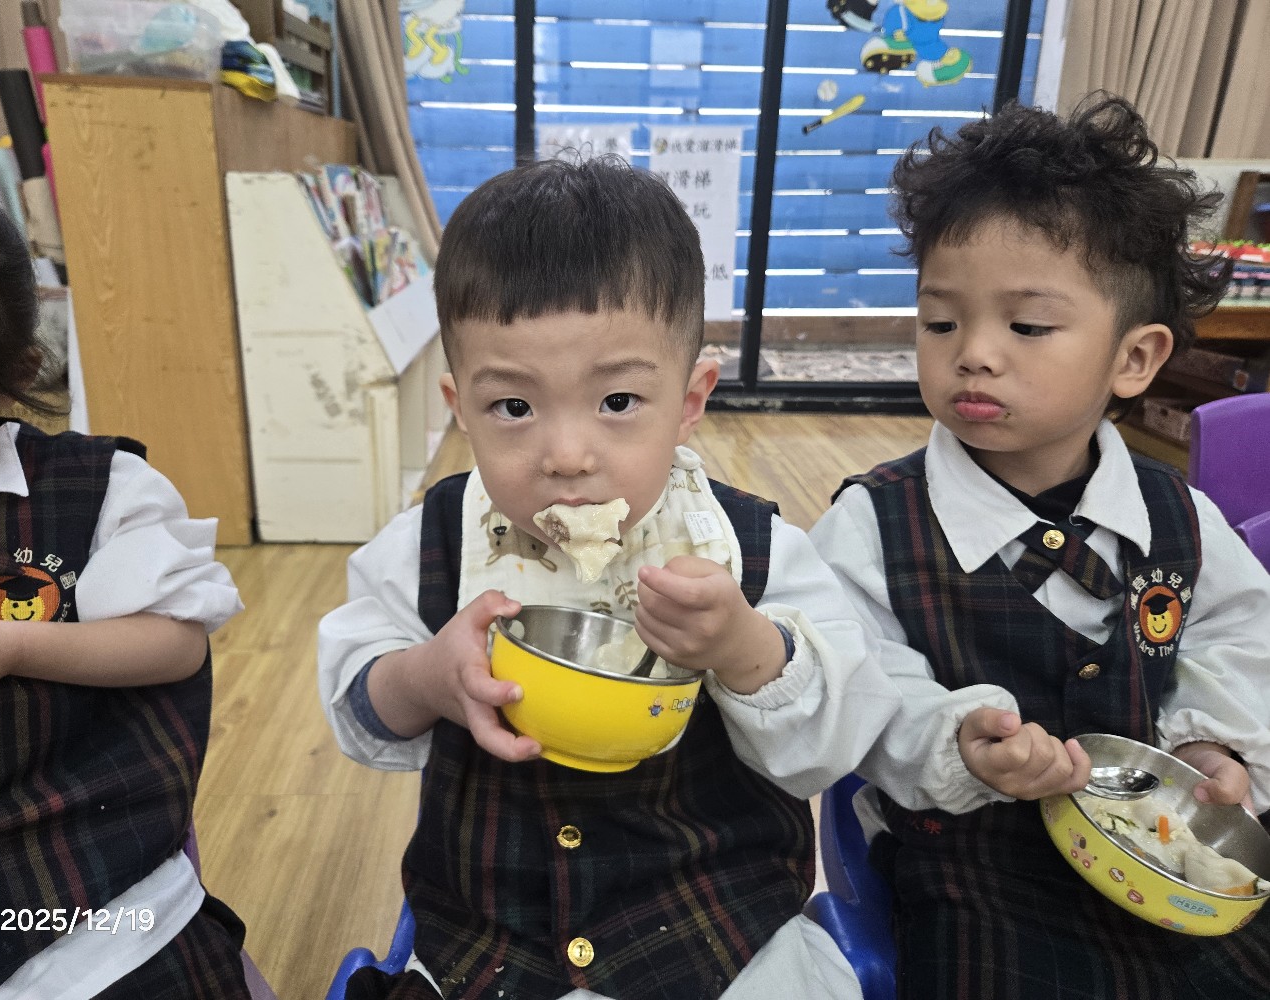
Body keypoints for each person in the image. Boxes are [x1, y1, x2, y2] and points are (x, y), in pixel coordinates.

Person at [319, 156, 903, 1000]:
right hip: (489, 936)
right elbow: (354, 702)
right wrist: (424, 677)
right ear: (460, 407)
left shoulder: (749, 546)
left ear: (691, 399)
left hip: (719, 922)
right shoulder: (430, 544)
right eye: (513, 407)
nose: (566, 455)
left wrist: (745, 649)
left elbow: (837, 738)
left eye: (618, 403)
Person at [809, 95, 1270, 999]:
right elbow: (852, 687)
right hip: (978, 880)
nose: (973, 353)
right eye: (940, 322)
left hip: (1165, 859)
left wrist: (1211, 746)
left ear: (1133, 360)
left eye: (1025, 327)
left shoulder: (1179, 519)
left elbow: (1240, 640)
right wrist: (956, 742)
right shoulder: (872, 524)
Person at [0, 165, 251, 999]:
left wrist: (9, 647)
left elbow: (175, 642)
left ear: (14, 371)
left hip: (94, 900)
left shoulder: (97, 490)